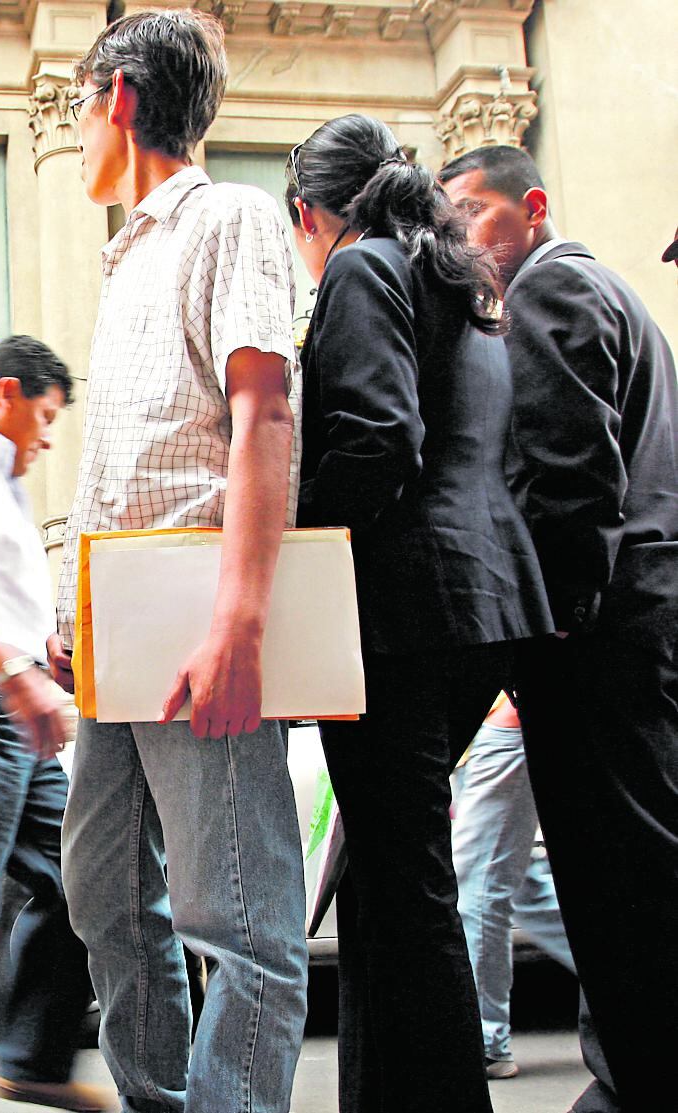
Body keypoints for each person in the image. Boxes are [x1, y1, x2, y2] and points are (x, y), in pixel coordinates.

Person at [53, 11, 309, 1111]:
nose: (71, 137)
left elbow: (263, 415)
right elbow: (130, 458)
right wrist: (75, 609)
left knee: (238, 920)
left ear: (116, 96)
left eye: (74, 110)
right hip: (123, 626)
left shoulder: (230, 219)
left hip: (197, 616)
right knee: (102, 894)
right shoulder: (128, 257)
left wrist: (240, 623)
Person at [286, 113, 552, 1113]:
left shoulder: (360, 270)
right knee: (391, 875)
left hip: (399, 613)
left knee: (406, 888)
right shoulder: (457, 282)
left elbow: (377, 442)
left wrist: (284, 547)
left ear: (310, 215)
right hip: (481, 605)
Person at [441, 142, 678, 1113]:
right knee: (633, 870)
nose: (459, 239)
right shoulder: (611, 294)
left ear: (530, 207)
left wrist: (547, 636)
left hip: (604, 642)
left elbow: (567, 487)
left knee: (620, 881)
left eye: (472, 214)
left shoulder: (549, 292)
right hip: (638, 626)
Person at [0, 337, 115, 1113]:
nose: (49, 437)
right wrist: (15, 675)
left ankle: (32, 1054)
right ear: (6, 392)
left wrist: (45, 643)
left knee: (81, 879)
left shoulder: (4, 473)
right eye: (45, 416)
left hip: (26, 698)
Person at [451, 696, 580, 1080]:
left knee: (480, 886)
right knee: (522, 889)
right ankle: (646, 983)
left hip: (504, 726)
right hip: (488, 730)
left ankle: (486, 1040)